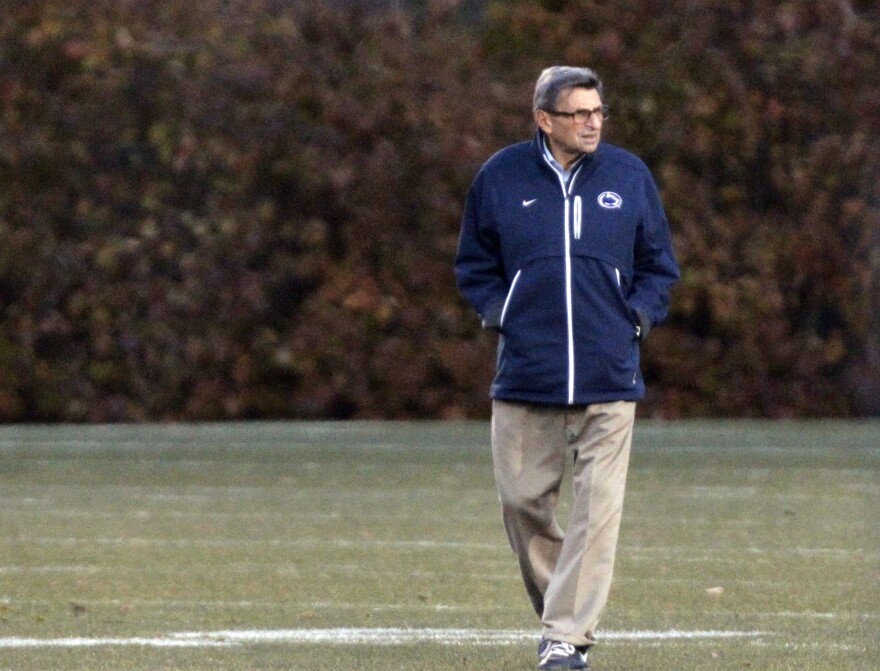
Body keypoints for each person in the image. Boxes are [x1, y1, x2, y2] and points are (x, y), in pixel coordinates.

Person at [454, 66, 679, 670]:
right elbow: (474, 264)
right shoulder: (500, 177)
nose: (593, 122)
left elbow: (660, 267)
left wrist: (636, 319)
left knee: (597, 512)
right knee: (522, 504)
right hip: (528, 374)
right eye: (579, 113)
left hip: (611, 376)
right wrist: (502, 311)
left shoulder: (629, 176)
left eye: (599, 111)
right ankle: (564, 615)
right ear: (544, 119)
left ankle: (564, 638)